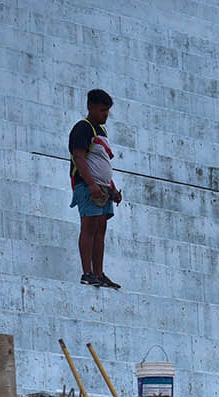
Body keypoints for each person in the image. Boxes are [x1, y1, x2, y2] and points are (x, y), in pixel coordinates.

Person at [69, 88, 123, 289]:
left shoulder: (102, 131)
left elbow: (103, 163)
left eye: (107, 110)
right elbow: (79, 157)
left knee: (101, 228)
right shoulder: (83, 128)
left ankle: (99, 273)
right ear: (90, 107)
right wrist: (91, 184)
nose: (105, 114)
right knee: (89, 226)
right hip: (88, 186)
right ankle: (87, 273)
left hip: (104, 188)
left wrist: (113, 189)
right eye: (102, 110)